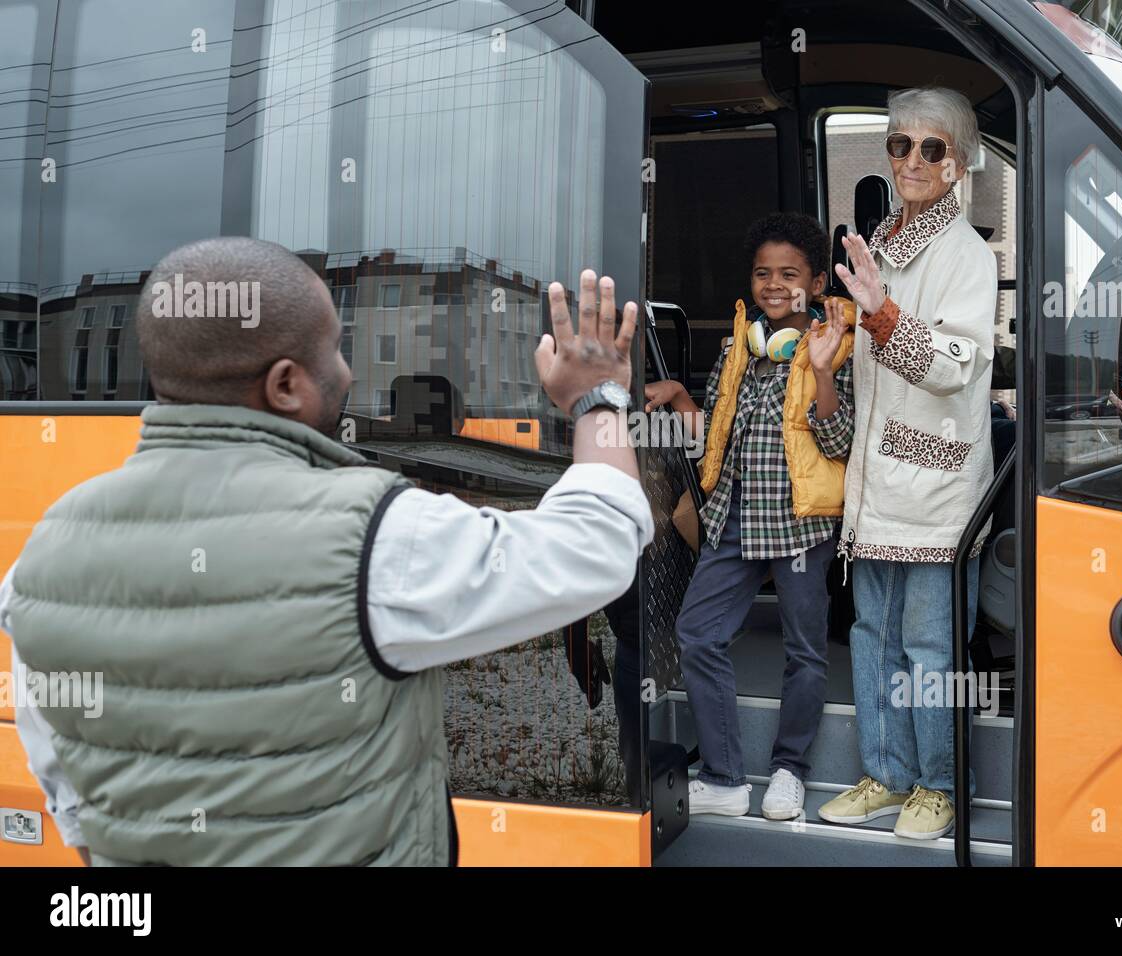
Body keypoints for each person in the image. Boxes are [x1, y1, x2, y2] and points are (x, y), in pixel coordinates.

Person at [0, 237, 652, 866]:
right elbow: (598, 539)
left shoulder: (42, 559)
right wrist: (598, 398)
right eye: (337, 350)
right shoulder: (374, 536)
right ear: (286, 385)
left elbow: (67, 789)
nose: (348, 370)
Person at [816, 87, 998, 840]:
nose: (913, 160)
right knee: (871, 638)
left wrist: (883, 315)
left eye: (932, 148)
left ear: (956, 164)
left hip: (936, 490)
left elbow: (955, 362)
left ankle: (939, 785)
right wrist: (832, 354)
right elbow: (878, 383)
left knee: (928, 645)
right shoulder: (880, 246)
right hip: (874, 485)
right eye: (900, 145)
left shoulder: (968, 255)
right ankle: (887, 776)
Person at [645, 213, 854, 821]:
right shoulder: (740, 345)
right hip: (733, 521)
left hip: (797, 526)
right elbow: (715, 430)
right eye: (763, 272)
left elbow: (839, 440)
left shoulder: (834, 345)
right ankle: (726, 776)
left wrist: (819, 369)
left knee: (805, 652)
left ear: (815, 283)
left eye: (789, 273)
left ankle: (790, 769)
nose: (773, 283)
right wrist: (682, 399)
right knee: (697, 633)